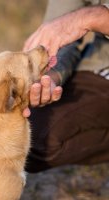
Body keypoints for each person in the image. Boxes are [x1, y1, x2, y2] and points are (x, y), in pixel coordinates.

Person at [23, 0, 109, 172]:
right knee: (25, 138)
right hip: (102, 69)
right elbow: (60, 38)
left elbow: (74, 22)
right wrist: (51, 77)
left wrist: (90, 18)